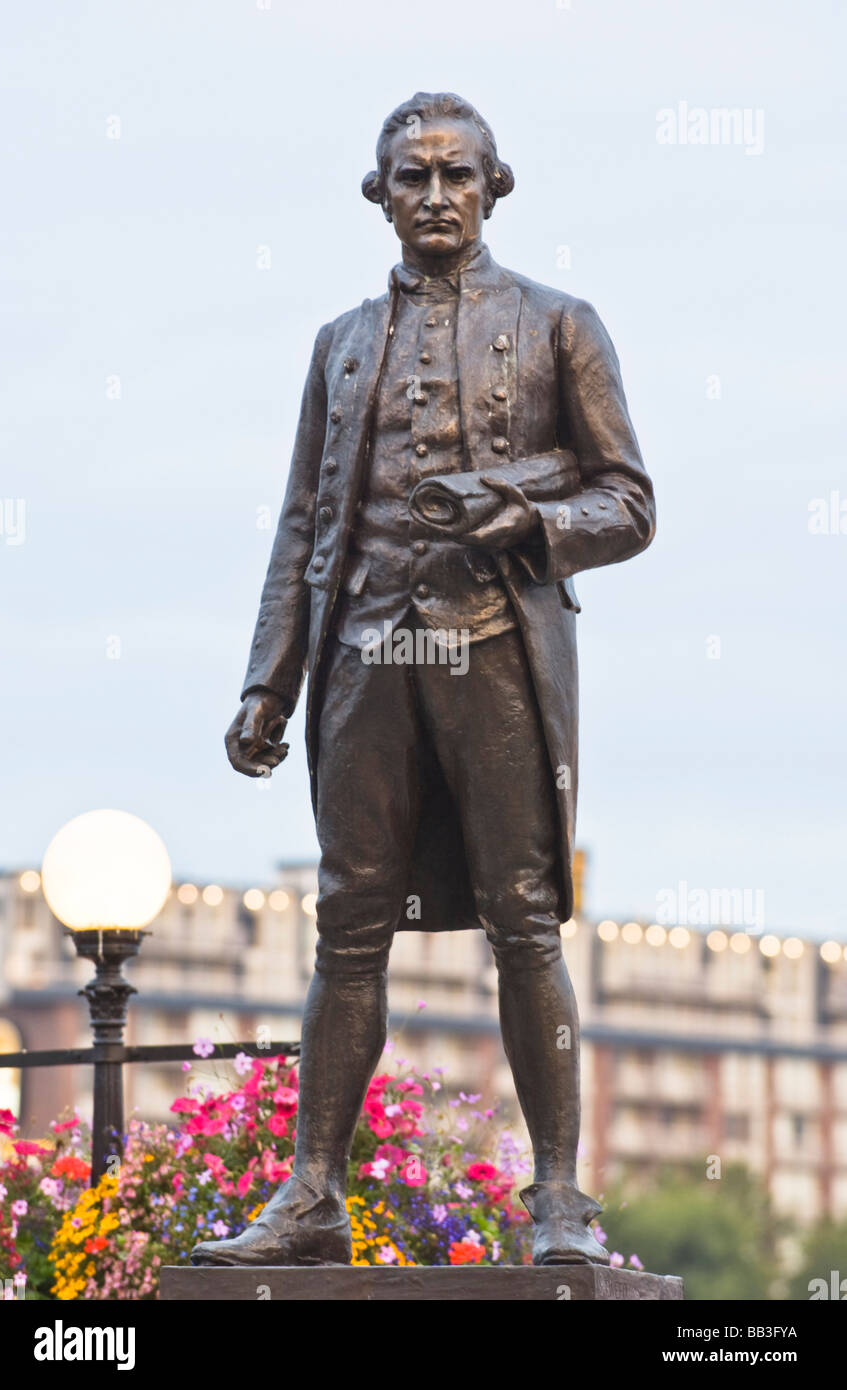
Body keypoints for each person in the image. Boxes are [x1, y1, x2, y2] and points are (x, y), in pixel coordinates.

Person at [191, 92, 655, 1269]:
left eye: (457, 176)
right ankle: (310, 1194)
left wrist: (520, 512)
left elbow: (629, 503)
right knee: (347, 925)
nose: (435, 195)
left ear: (495, 188)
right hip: (362, 658)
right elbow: (302, 525)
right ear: (378, 195)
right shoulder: (339, 343)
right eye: (411, 177)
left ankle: (556, 1198)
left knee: (524, 918)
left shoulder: (561, 324)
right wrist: (268, 683)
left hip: (491, 643)